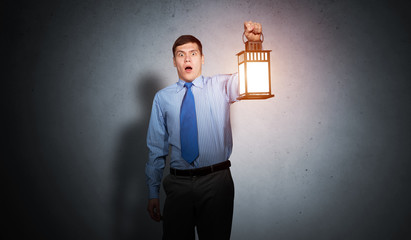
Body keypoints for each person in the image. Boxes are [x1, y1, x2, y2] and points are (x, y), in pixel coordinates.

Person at [145, 21, 263, 240]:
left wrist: (253, 45)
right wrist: (153, 192)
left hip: (216, 182)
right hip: (178, 185)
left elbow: (253, 82)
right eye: (181, 54)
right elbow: (156, 148)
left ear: (202, 58)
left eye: (193, 53)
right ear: (174, 61)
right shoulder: (162, 98)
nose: (187, 58)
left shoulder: (222, 85)